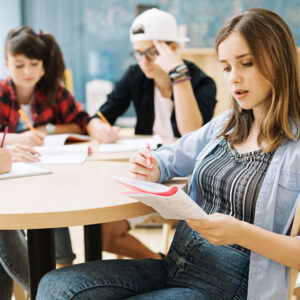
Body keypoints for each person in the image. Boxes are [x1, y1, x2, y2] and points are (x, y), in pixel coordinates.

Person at [37, 8, 300, 300]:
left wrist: (240, 233)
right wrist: (153, 166)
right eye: (226, 67)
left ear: (278, 61)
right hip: (178, 262)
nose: (233, 78)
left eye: (246, 63)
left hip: (230, 285)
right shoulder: (228, 124)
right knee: (54, 285)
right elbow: (174, 154)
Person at [87, 8, 217, 260]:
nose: (144, 61)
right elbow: (100, 115)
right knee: (102, 232)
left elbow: (190, 132)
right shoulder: (136, 76)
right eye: (138, 53)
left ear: (173, 48)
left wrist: (178, 74)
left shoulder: (202, 83)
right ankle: (160, 264)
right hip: (148, 175)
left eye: (152, 53)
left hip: (187, 180)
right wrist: (97, 127)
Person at [0, 26, 90, 299]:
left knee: (54, 201)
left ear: (43, 66)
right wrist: (17, 138)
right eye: (19, 64)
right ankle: (51, 290)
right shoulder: (2, 93)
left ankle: (62, 272)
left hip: (49, 171)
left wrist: (48, 130)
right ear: (6, 64)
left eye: (34, 64)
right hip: (11, 181)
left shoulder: (53, 91)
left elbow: (82, 123)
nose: (27, 71)